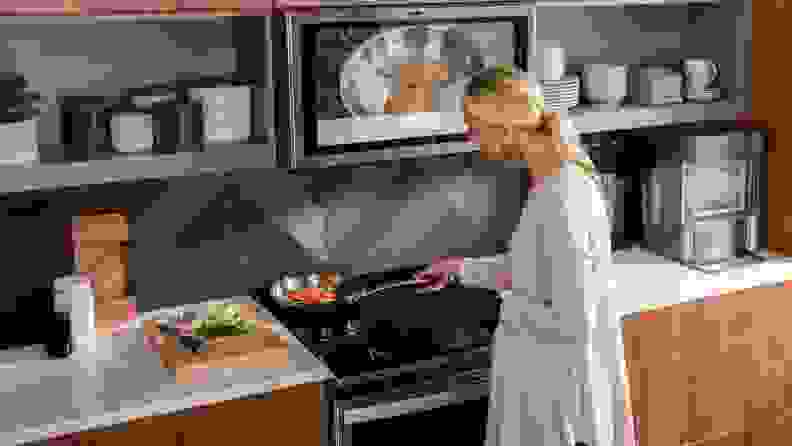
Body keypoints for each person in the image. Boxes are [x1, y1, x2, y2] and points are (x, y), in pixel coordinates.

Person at [459, 66, 625, 446]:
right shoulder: (550, 182)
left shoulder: (563, 198)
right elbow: (534, 272)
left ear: (503, 122)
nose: (471, 137)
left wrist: (587, 435)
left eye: (473, 125)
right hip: (536, 396)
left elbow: (579, 323)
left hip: (552, 408)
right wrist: (463, 269)